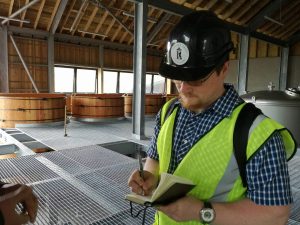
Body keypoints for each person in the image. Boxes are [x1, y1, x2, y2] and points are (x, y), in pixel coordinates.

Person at [128, 10, 297, 225]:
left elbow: (276, 214)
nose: (184, 88)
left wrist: (201, 211)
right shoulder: (169, 111)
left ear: (223, 68)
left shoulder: (257, 134)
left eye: (196, 79)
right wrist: (149, 179)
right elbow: (155, 161)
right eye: (178, 77)